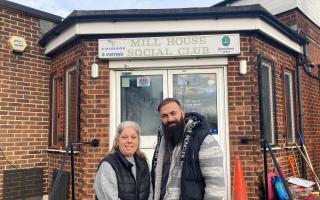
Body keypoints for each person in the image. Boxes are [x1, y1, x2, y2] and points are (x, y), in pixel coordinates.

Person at [151, 98, 225, 200]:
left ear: (182, 113)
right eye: (164, 116)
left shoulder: (203, 139)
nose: (170, 119)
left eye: (173, 113)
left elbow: (216, 185)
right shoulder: (162, 142)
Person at [94, 121, 151, 200]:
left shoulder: (143, 162)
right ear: (117, 141)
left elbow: (150, 192)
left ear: (138, 141)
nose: (129, 141)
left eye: (134, 137)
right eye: (124, 137)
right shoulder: (108, 165)